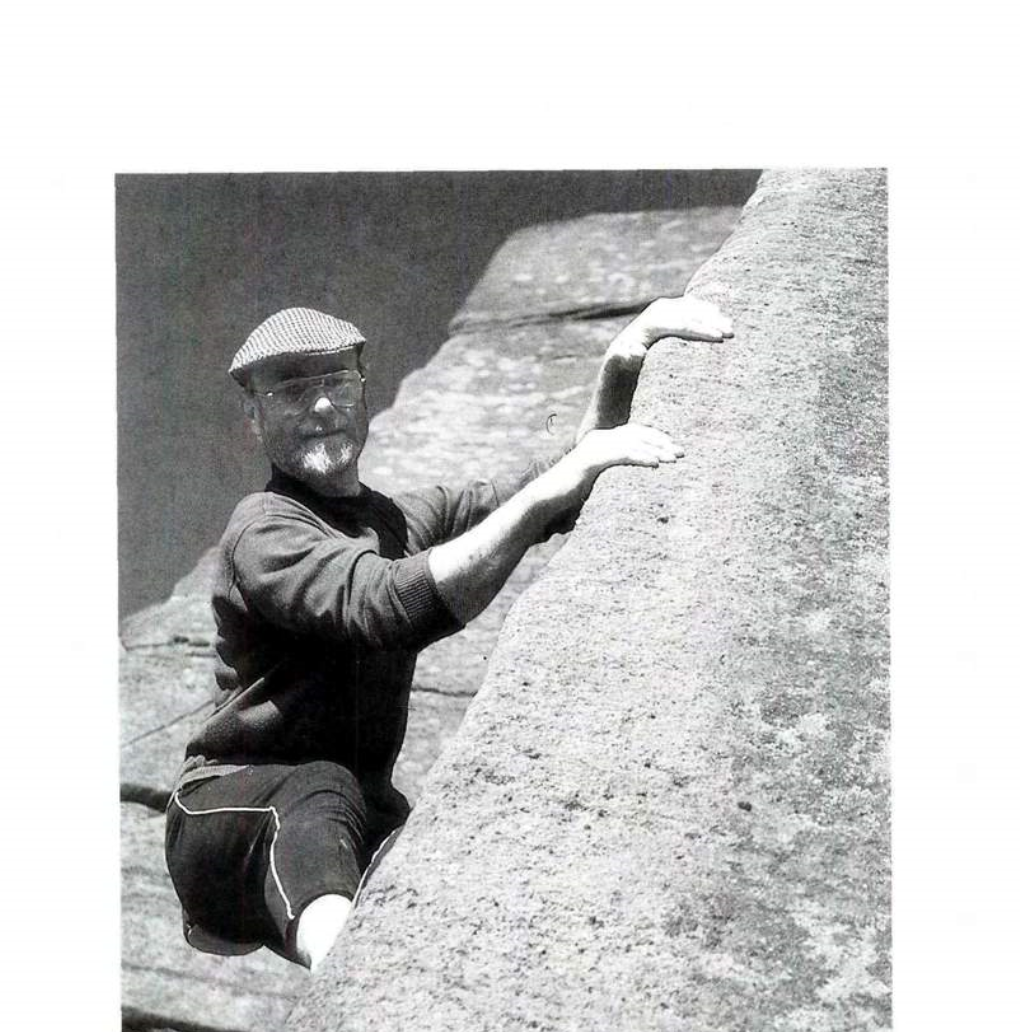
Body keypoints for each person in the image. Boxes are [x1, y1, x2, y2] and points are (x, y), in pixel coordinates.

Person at [165, 296, 733, 970]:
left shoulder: (402, 521)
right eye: (291, 389)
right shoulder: (264, 527)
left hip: (349, 816)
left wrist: (624, 362)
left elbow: (559, 480)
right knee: (320, 787)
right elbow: (383, 605)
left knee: (443, 863)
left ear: (362, 388)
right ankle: (349, 982)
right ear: (254, 416)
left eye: (335, 381)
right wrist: (553, 491)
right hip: (226, 815)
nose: (321, 406)